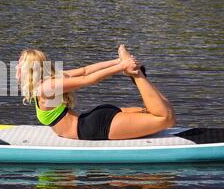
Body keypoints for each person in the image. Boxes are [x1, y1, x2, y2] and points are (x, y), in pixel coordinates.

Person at [16, 45, 176, 140]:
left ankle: (137, 75)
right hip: (91, 120)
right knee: (160, 113)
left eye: (19, 63)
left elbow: (87, 77)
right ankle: (136, 74)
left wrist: (121, 65)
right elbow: (86, 71)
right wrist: (120, 63)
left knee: (165, 118)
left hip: (92, 127)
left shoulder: (47, 87)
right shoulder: (51, 82)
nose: (16, 67)